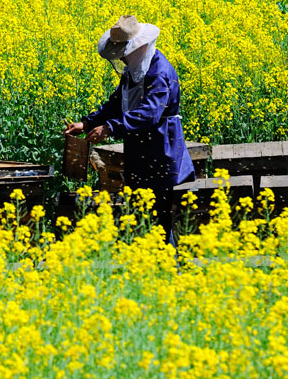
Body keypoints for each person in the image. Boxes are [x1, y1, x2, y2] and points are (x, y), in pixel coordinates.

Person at [65, 15, 195, 242]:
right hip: (139, 147)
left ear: (137, 47)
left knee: (158, 214)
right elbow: (117, 103)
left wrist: (109, 128)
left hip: (161, 147)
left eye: (123, 53)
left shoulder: (158, 72)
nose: (122, 59)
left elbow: (149, 114)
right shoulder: (135, 70)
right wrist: (88, 123)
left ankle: (168, 259)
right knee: (141, 210)